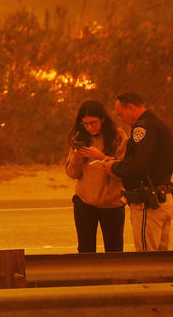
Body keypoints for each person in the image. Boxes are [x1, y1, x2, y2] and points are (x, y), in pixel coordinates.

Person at [104, 92, 173, 251]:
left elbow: (138, 165)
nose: (121, 119)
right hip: (164, 198)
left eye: (121, 114)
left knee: (146, 260)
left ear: (131, 107)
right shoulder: (159, 125)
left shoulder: (142, 128)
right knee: (163, 259)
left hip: (148, 204)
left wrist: (114, 167)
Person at [64, 100, 128, 252]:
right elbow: (72, 174)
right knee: (85, 250)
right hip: (84, 203)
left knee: (114, 250)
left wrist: (100, 157)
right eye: (85, 123)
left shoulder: (118, 136)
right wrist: (77, 157)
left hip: (112, 204)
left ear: (103, 119)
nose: (90, 127)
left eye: (93, 123)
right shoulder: (80, 137)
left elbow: (124, 171)